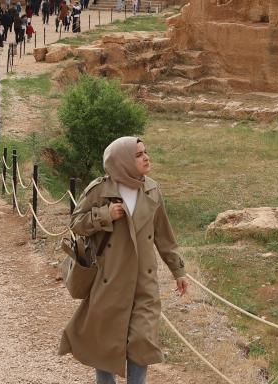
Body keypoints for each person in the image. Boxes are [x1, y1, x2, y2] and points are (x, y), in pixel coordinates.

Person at [58, 136, 186, 384]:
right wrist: (104, 215)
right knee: (104, 344)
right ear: (122, 161)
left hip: (143, 283)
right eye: (138, 155)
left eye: (145, 152)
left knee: (142, 343)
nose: (146, 157)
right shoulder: (100, 190)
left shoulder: (152, 189)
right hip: (109, 281)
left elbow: (164, 236)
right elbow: (75, 223)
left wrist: (178, 271)